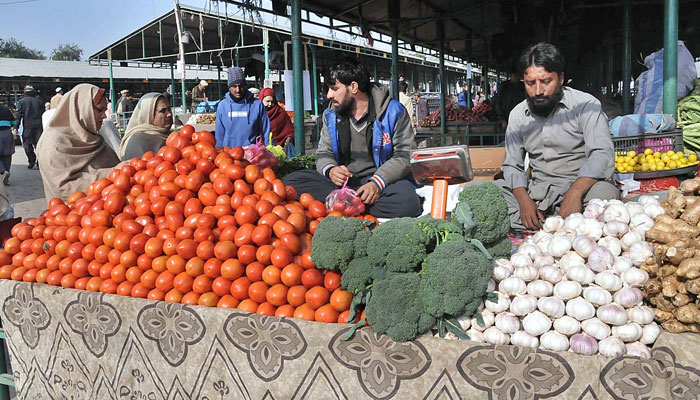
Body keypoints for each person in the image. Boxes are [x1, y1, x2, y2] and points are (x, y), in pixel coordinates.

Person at [499, 42, 619, 231]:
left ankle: (543, 225)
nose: (538, 91)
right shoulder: (517, 115)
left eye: (546, 81)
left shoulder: (586, 106)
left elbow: (601, 155)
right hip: (537, 193)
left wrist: (575, 193)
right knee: (492, 192)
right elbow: (512, 164)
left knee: (606, 194)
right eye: (531, 83)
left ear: (561, 78)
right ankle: (556, 224)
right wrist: (523, 201)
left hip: (582, 188)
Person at [283, 59, 421, 218]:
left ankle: (343, 205)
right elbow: (323, 153)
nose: (329, 95)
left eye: (334, 89)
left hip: (379, 184)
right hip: (342, 184)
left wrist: (377, 182)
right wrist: (331, 170)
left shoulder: (393, 112)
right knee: (292, 181)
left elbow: (405, 155)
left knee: (407, 202)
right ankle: (352, 204)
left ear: (353, 87)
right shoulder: (331, 115)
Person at [36, 84, 121, 200]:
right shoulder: (55, 143)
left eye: (105, 111)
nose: (104, 116)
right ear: (82, 108)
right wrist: (115, 173)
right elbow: (65, 188)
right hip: (73, 214)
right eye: (100, 110)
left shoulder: (92, 137)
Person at [215, 67, 270, 148]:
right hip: (229, 154)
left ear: (245, 86)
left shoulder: (257, 104)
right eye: (234, 86)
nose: (238, 90)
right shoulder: (223, 106)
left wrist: (270, 149)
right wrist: (219, 151)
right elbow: (219, 133)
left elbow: (266, 130)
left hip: (252, 153)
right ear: (229, 87)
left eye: (241, 86)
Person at [120, 93, 173, 160]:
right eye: (162, 111)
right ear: (148, 115)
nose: (169, 114)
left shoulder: (171, 135)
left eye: (169, 109)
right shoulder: (138, 140)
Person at [15, 85, 44, 169]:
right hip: (39, 126)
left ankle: (31, 160)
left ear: (25, 92)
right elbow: (43, 114)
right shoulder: (39, 101)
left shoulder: (21, 102)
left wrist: (16, 127)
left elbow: (18, 115)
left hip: (27, 126)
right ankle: (40, 162)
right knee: (39, 145)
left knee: (27, 144)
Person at [0, 106, 14, 185]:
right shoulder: (6, 109)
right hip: (7, 133)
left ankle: (3, 171)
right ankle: (6, 173)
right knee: (7, 154)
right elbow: (13, 123)